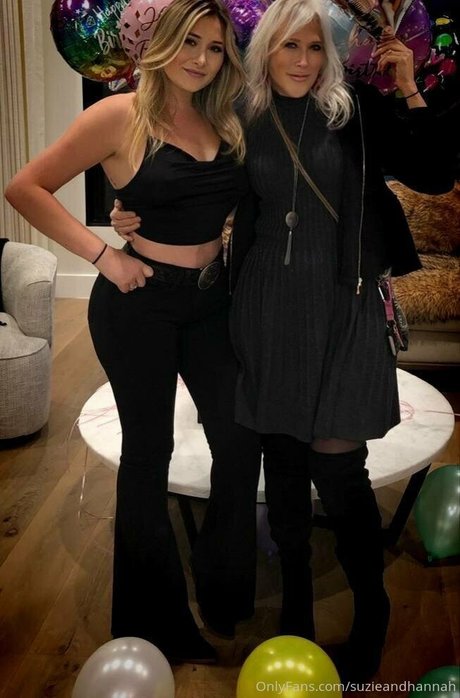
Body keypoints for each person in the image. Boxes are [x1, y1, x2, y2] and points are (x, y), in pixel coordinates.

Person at [111, 0, 454, 682]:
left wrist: (411, 88)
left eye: (315, 47)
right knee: (286, 466)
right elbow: (189, 178)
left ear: (331, 53)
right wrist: (131, 213)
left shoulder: (354, 110)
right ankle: (296, 607)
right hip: (265, 304)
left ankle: (372, 608)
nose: (302, 60)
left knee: (339, 468)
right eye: (289, 46)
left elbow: (436, 173)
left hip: (344, 303)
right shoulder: (239, 115)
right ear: (265, 49)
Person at [4, 0, 263, 664]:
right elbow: (26, 187)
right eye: (190, 42)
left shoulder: (224, 116)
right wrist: (103, 254)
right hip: (138, 302)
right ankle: (156, 623)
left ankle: (222, 587)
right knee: (149, 456)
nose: (201, 58)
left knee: (240, 440)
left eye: (215, 47)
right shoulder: (119, 115)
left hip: (211, 302)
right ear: (162, 43)